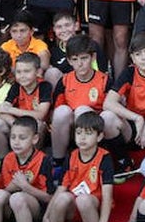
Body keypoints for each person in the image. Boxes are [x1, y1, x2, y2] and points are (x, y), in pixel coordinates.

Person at [49, 36, 124, 167]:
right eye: (75, 59)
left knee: (82, 111)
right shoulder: (65, 81)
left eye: (84, 58)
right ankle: (58, 162)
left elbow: (115, 110)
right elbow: (57, 111)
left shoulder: (105, 80)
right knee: (61, 112)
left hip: (99, 131)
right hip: (74, 132)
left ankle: (116, 160)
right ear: (69, 61)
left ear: (93, 57)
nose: (80, 63)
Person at [43, 111, 114, 222]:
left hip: (92, 205)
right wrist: (47, 214)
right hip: (73, 206)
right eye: (79, 132)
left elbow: (107, 197)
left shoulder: (104, 158)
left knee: (83, 199)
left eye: (88, 133)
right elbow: (61, 188)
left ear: (99, 137)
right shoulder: (71, 156)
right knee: (63, 197)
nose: (82, 137)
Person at [0, 51, 54, 149]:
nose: (22, 76)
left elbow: (40, 115)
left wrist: (11, 110)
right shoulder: (16, 86)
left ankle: (34, 155)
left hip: (40, 130)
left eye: (27, 71)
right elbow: (2, 110)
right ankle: (5, 157)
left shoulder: (44, 86)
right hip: (18, 124)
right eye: (18, 72)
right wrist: (17, 125)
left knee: (39, 124)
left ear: (37, 72)